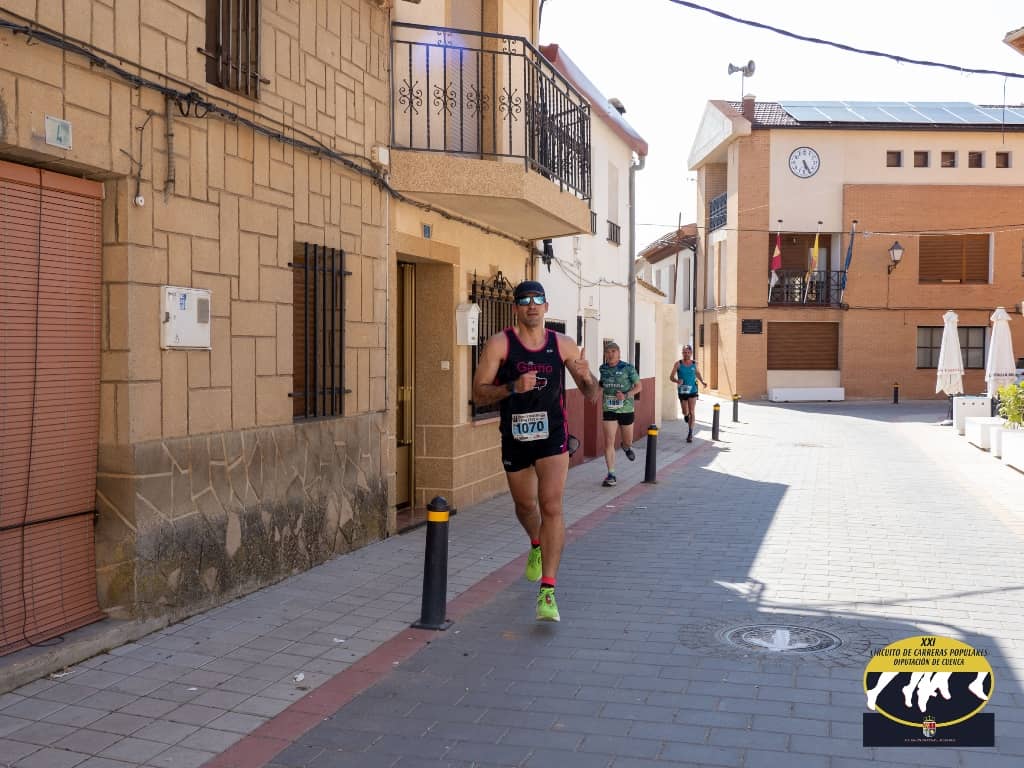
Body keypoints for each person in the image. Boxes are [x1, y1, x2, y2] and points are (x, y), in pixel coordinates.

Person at [472, 280, 601, 622]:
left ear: (546, 306)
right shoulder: (500, 344)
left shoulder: (563, 345)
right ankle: (535, 543)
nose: (532, 305)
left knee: (551, 505)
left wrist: (587, 377)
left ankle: (548, 591)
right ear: (516, 307)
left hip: (552, 436)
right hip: (515, 436)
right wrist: (512, 386)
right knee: (526, 506)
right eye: (525, 300)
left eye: (537, 299)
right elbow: (478, 394)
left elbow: (592, 395)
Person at [598, 341, 641, 487]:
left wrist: (626, 395)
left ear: (619, 353)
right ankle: (611, 474)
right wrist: (595, 392)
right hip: (609, 408)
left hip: (626, 409)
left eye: (613, 351)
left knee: (628, 440)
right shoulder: (603, 368)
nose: (610, 354)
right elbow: (602, 383)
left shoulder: (628, 368)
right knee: (609, 441)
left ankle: (626, 447)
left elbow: (639, 387)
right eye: (607, 352)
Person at [670, 344, 706, 443]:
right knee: (685, 411)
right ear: (682, 353)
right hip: (682, 391)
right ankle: (686, 416)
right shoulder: (678, 364)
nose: (686, 354)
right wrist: (677, 381)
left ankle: (690, 433)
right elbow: (671, 377)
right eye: (684, 352)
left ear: (691, 353)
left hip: (693, 390)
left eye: (688, 352)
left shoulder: (695, 363)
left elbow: (697, 373)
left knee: (692, 411)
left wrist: (702, 381)